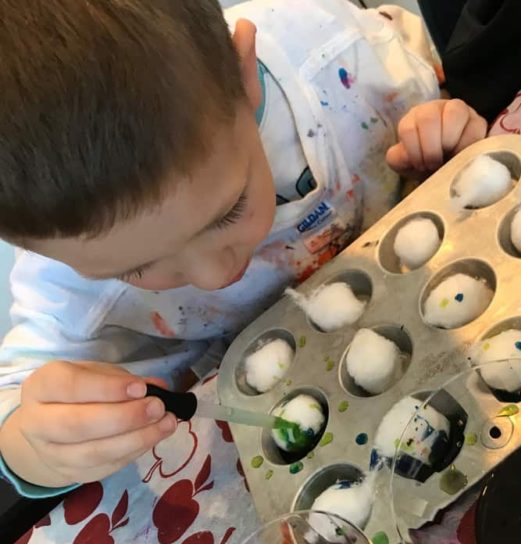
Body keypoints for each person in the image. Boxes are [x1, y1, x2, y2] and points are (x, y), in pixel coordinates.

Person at [0, 0, 488, 497]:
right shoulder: (66, 275)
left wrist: (440, 126)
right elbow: (18, 392)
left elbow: (428, 77)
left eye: (228, 212)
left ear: (244, 74)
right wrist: (30, 447)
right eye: (138, 268)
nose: (214, 276)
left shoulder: (329, 53)